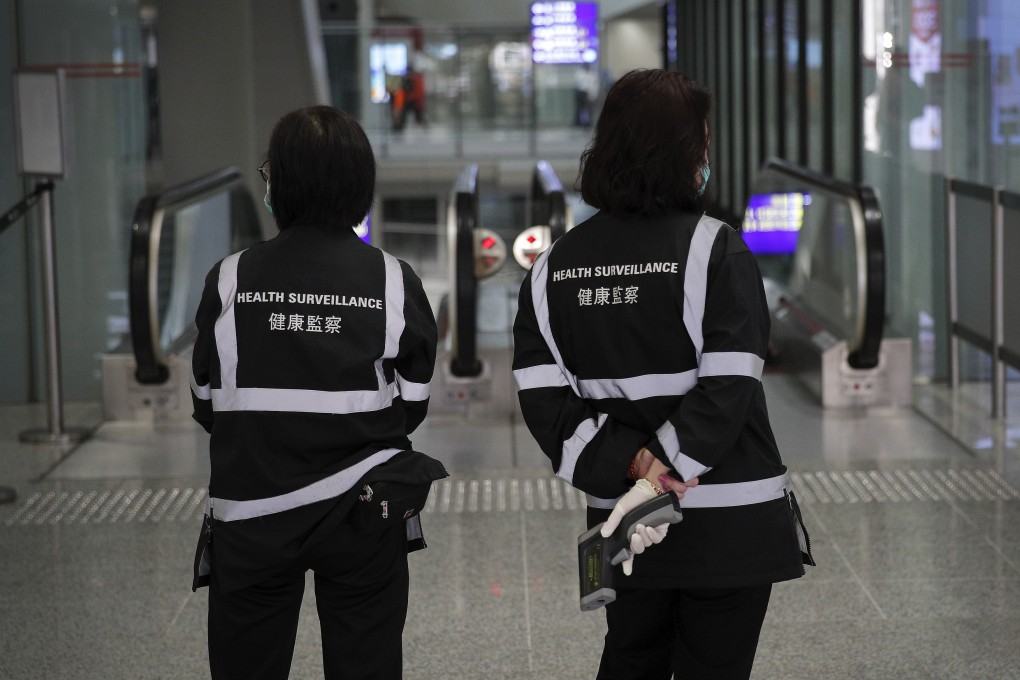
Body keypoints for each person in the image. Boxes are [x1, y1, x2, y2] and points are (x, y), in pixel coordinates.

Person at [512, 69, 814, 679]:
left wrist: (636, 467)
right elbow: (730, 385)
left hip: (626, 521)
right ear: (683, 153)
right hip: (731, 515)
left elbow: (546, 406)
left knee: (631, 656)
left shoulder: (553, 271)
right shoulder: (715, 249)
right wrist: (667, 464)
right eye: (701, 141)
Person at [190, 105, 442, 680]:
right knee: (366, 662)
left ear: (282, 183)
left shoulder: (229, 279)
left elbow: (208, 403)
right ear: (360, 185)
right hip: (363, 514)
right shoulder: (391, 279)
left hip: (250, 512)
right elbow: (413, 402)